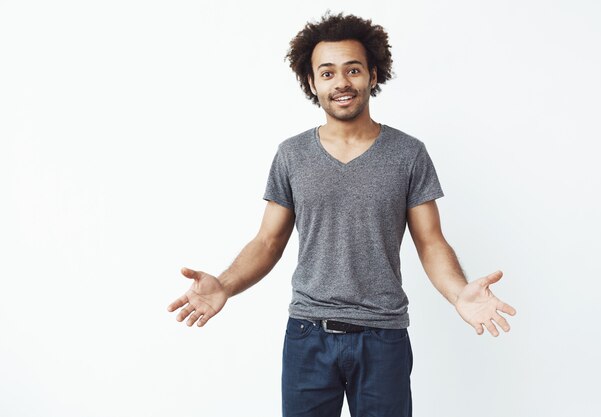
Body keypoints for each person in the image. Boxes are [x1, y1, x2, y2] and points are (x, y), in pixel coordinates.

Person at [167, 12, 517, 417]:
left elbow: (431, 241)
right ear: (312, 83)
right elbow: (268, 241)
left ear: (372, 75)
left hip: (383, 338)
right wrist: (224, 284)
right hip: (307, 335)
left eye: (352, 70)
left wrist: (459, 293)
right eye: (328, 73)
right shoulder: (292, 155)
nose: (341, 83)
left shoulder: (408, 154)